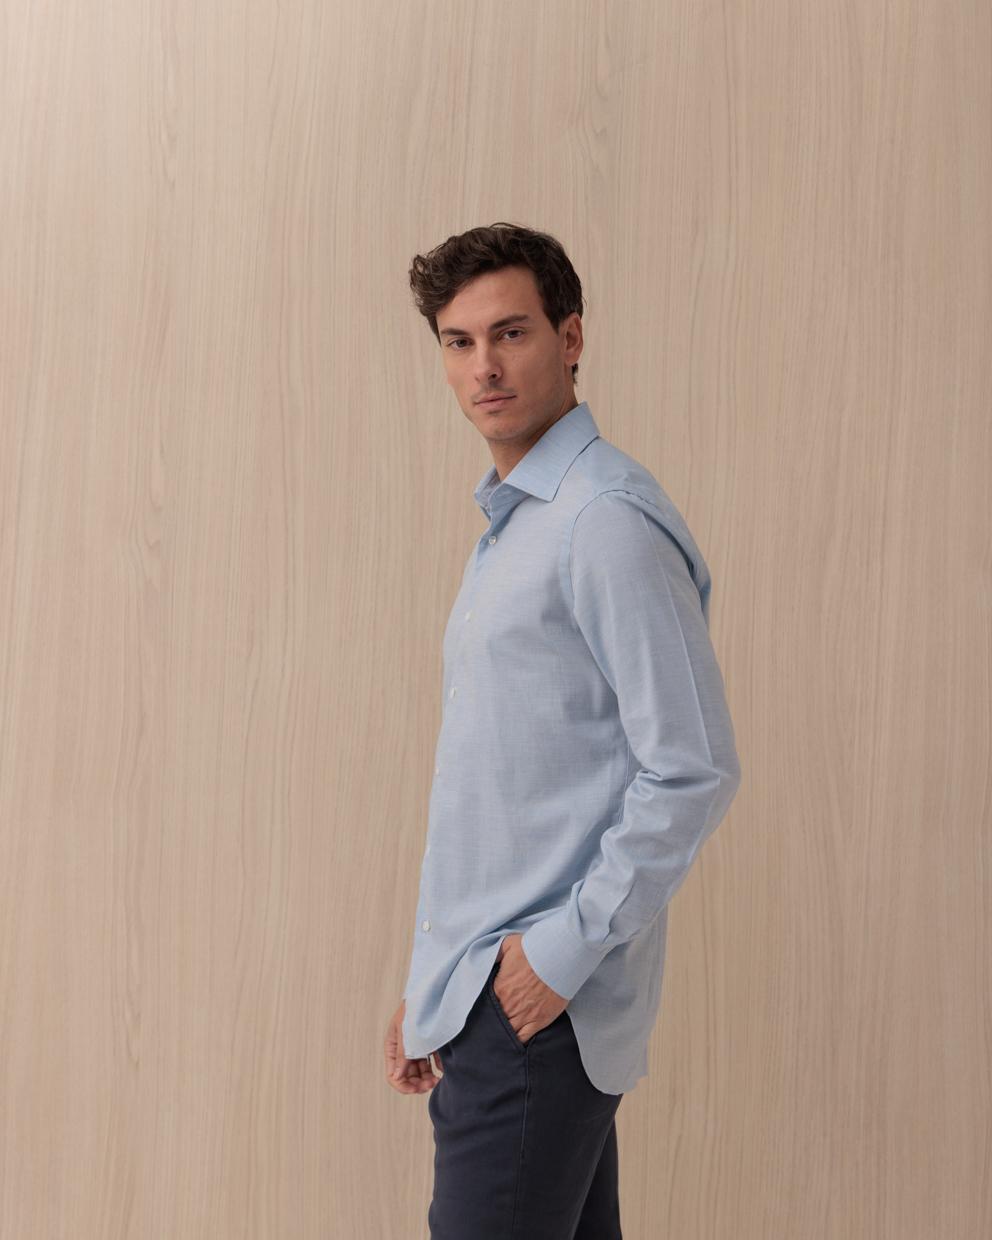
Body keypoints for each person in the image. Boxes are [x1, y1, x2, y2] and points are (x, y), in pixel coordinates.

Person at [383, 222, 742, 1239]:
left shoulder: (602, 522)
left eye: (510, 332)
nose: (484, 368)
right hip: (495, 1001)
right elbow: (504, 788)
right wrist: (436, 985)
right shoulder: (520, 523)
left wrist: (555, 954)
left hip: (538, 1013)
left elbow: (693, 767)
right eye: (458, 343)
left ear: (570, 337)